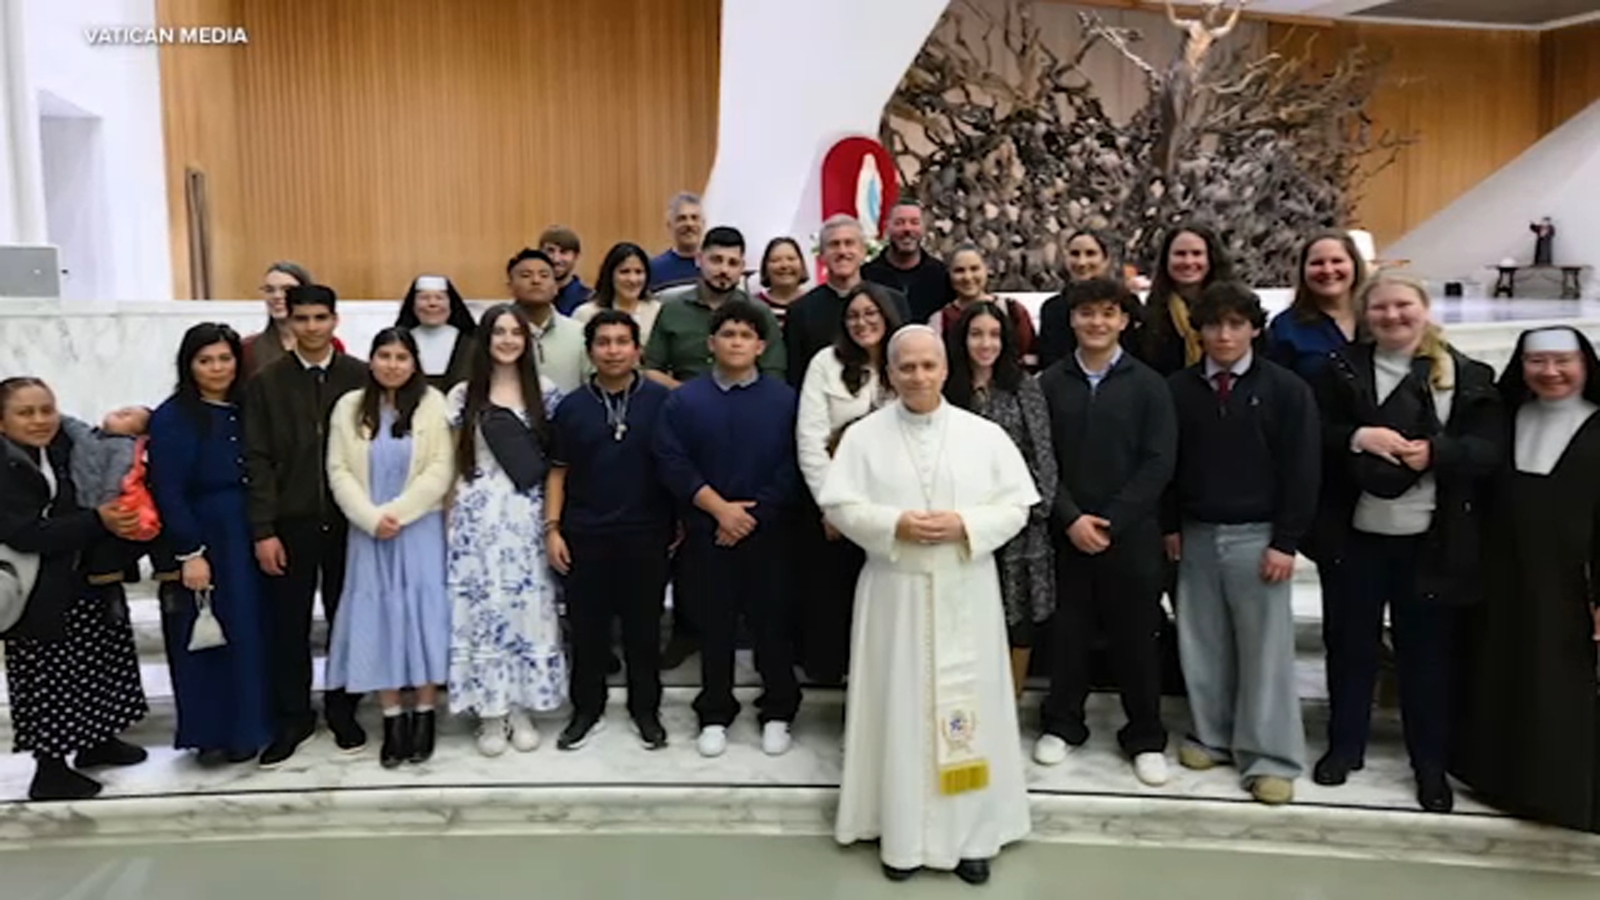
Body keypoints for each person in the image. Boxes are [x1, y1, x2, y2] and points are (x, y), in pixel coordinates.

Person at [820, 325, 1036, 885]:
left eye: (928, 366)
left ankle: (969, 836)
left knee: (967, 714)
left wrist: (965, 523)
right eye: (906, 367)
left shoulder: (982, 435)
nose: (918, 376)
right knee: (899, 710)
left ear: (946, 369)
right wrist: (895, 524)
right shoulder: (864, 437)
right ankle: (900, 834)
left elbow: (1016, 505)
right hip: (894, 592)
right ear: (889, 373)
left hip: (965, 588)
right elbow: (839, 502)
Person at [1312, 274, 1502, 814]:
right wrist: (1358, 436)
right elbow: (1310, 432)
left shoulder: (1467, 376)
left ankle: (1429, 765)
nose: (1393, 316)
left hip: (1432, 541)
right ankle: (1345, 747)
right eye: (1381, 308)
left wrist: (1439, 453)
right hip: (1357, 537)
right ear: (1365, 315)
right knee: (1350, 649)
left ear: (1424, 309)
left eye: (1403, 306)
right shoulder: (1339, 369)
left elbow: (1489, 452)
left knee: (1427, 658)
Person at [1162, 283, 1318, 806]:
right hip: (1198, 534)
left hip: (1260, 539)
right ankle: (1214, 735)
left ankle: (1270, 757)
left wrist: (1287, 541)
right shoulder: (1179, 390)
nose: (1224, 335)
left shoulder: (1286, 390)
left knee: (1264, 653)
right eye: (1213, 324)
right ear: (1199, 331)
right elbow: (1168, 466)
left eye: (1235, 324)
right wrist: (1170, 526)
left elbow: (1303, 470)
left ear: (1254, 328)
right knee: (1202, 644)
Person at [1455, 326, 1600, 832]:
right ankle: (1502, 779)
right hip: (1504, 577)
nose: (1551, 372)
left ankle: (1562, 794)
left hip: (1574, 585)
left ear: (1585, 365)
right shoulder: (1507, 420)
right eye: (1538, 362)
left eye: (1563, 361)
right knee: (1503, 674)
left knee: (1562, 687)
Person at [1035, 277, 1176, 786]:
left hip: (1131, 535)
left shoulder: (1149, 385)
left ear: (1124, 320)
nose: (1097, 322)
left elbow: (1159, 461)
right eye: (1086, 313)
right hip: (1066, 532)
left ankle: (1144, 734)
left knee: (1137, 638)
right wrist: (1070, 518)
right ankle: (1063, 723)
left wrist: (1114, 520)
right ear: (1071, 319)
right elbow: (1039, 460)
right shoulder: (1048, 384)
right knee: (1068, 634)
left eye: (1107, 313)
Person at [654, 300, 802, 758]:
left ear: (760, 346)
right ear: (711, 344)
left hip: (768, 533)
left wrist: (751, 517)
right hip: (707, 533)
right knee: (713, 626)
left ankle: (778, 710)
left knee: (771, 625)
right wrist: (720, 511)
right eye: (727, 334)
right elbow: (671, 461)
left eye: (746, 336)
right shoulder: (684, 399)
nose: (736, 342)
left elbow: (795, 464)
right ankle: (715, 712)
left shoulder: (785, 400)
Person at [0, 377, 148, 801]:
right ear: (2, 421)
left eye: (46, 409)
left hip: (84, 577)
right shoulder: (6, 464)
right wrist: (96, 521)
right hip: (39, 590)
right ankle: (50, 770)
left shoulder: (64, 444)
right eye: (25, 413)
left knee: (100, 657)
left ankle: (97, 740)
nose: (40, 420)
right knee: (49, 676)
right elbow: (23, 531)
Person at [244, 284, 370, 766]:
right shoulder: (266, 382)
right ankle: (294, 716)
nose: (312, 327)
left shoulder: (360, 378)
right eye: (303, 319)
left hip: (347, 523)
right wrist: (263, 529)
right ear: (289, 323)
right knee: (288, 625)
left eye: (321, 317)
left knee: (346, 619)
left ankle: (343, 708)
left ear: (335, 321)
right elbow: (256, 460)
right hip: (290, 524)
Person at [547, 310, 675, 751]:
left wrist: (678, 520)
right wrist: (552, 529)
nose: (614, 350)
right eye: (604, 342)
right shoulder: (571, 407)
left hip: (647, 532)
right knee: (587, 631)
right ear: (590, 352)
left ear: (637, 350)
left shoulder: (661, 401)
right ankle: (586, 709)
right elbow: (557, 472)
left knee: (644, 629)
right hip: (585, 533)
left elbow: (674, 466)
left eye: (622, 342)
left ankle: (646, 710)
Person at [326, 328, 454, 768]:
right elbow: (338, 469)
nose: (393, 364)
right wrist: (370, 517)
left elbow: (441, 468)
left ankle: (423, 713)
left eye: (402, 356)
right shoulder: (349, 406)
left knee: (419, 616)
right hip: (367, 531)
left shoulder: (433, 404)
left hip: (418, 526)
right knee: (377, 617)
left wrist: (398, 512)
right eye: (384, 355)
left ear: (414, 362)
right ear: (372, 360)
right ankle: (392, 717)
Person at [147, 324, 273, 767]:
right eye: (206, 360)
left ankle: (252, 726)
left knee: (250, 632)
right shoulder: (175, 416)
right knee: (208, 638)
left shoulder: (245, 405)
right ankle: (211, 732)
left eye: (224, 358)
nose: (217, 368)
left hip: (248, 530)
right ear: (189, 365)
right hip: (207, 536)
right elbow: (170, 489)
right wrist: (190, 552)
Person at [446, 305, 568, 756]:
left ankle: (521, 706)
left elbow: (556, 463)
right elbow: (450, 461)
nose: (508, 340)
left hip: (527, 515)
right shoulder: (463, 395)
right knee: (483, 613)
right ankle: (490, 713)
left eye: (516, 332)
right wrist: (447, 520)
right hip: (477, 517)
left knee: (527, 610)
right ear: (485, 339)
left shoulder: (548, 394)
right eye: (499, 332)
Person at [943, 301, 1057, 697]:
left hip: (1018, 526)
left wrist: (1031, 512)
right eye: (976, 334)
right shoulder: (946, 388)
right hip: (958, 525)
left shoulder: (1024, 386)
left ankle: (1009, 700)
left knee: (1016, 621)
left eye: (994, 334)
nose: (985, 343)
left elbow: (1042, 453)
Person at [795, 285, 901, 683]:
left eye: (871, 313)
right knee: (836, 598)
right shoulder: (826, 363)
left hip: (893, 502)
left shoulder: (904, 359)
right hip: (839, 500)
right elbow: (810, 439)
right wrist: (832, 506)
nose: (863, 322)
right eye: (854, 315)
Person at [644, 226, 785, 389]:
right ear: (699, 259)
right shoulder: (673, 309)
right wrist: (687, 395)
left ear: (741, 268)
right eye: (716, 260)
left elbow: (774, 374)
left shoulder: (759, 312)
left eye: (733, 263)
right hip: (685, 404)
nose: (724, 270)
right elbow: (651, 370)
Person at [784, 215, 912, 387]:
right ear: (821, 255)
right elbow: (796, 376)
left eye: (849, 243)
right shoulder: (800, 311)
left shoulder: (894, 302)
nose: (843, 252)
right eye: (834, 245)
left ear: (863, 251)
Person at [59, 406, 175, 590]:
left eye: (132, 416)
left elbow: (117, 478)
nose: (123, 412)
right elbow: (68, 423)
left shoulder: (125, 446)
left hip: (109, 508)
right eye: (123, 410)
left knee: (105, 557)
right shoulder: (88, 435)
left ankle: (114, 590)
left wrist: (107, 505)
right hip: (84, 507)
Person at [1266, 231, 1367, 385]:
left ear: (1355, 265)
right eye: (1317, 263)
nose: (1328, 270)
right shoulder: (1285, 328)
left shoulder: (1378, 318)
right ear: (1303, 271)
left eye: (1337, 261)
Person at [1140, 224, 1235, 377]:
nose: (1188, 261)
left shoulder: (1237, 309)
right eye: (1180, 254)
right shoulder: (1148, 316)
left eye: (1197, 253)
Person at [929, 246, 1038, 370]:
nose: (968, 277)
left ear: (986, 270)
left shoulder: (1012, 311)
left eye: (974, 269)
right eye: (959, 271)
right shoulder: (939, 321)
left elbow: (1029, 358)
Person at [242, 262, 347, 379]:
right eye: (269, 290)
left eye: (287, 289)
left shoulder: (332, 345)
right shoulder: (248, 349)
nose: (277, 296)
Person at [507, 248, 586, 394]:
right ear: (510, 286)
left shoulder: (580, 333)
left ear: (556, 287)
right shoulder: (495, 334)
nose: (536, 281)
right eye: (525, 275)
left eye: (544, 275)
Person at [1037, 230, 1117, 369]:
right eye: (1075, 254)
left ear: (1106, 259)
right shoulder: (1052, 309)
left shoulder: (1125, 303)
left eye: (1090, 253)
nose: (1082, 262)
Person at [862, 202, 954, 323]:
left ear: (924, 228)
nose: (907, 229)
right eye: (899, 223)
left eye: (914, 222)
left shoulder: (942, 276)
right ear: (886, 227)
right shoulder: (867, 276)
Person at [573, 242, 663, 347]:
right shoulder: (585, 314)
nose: (632, 279)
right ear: (610, 275)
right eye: (625, 272)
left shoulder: (658, 312)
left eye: (638, 272)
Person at [396, 274, 476, 392]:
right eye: (424, 298)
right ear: (412, 305)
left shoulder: (471, 343)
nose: (432, 304)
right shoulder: (399, 342)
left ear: (451, 304)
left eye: (439, 298)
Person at [649, 192, 705, 290]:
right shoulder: (654, 269)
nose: (689, 224)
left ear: (703, 224)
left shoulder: (715, 267)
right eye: (682, 218)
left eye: (694, 218)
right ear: (670, 225)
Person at [755, 236, 809, 326]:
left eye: (791, 259)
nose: (784, 265)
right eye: (775, 260)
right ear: (765, 267)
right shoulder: (753, 306)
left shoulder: (815, 303)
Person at [540, 225, 590, 315]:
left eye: (564, 252)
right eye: (550, 251)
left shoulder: (589, 300)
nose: (556, 259)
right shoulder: (531, 296)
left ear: (576, 256)